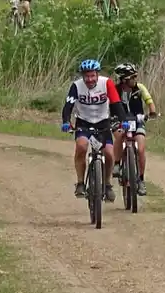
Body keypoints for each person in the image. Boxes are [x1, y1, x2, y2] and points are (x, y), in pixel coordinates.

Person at [60, 59, 126, 201]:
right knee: (81, 146)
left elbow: (116, 103)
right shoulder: (76, 86)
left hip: (103, 123)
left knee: (109, 154)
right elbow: (68, 106)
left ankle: (107, 185)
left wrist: (123, 120)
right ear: (83, 76)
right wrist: (66, 121)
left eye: (92, 76)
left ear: (97, 74)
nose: (89, 79)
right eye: (87, 76)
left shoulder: (107, 83)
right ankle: (80, 183)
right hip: (84, 123)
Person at [112, 62, 158, 194]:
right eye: (132, 77)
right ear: (124, 80)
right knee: (120, 136)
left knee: (141, 149)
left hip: (137, 120)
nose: (135, 80)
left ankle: (141, 180)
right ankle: (116, 163)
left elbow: (149, 102)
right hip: (119, 121)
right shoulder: (115, 90)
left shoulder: (140, 88)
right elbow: (108, 104)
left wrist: (152, 112)